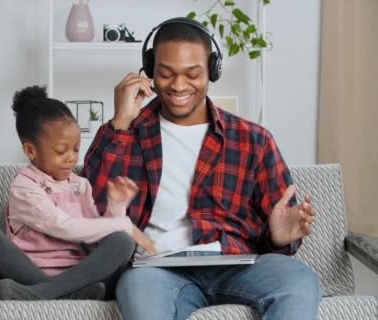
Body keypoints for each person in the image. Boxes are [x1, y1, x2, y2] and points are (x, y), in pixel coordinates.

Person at [83, 17, 321, 319]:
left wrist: (277, 238)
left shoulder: (253, 139)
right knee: (137, 290)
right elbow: (89, 212)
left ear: (212, 71)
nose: (179, 85)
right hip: (156, 271)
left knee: (299, 281)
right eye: (166, 73)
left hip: (236, 265)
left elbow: (283, 226)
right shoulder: (125, 135)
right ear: (149, 71)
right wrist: (119, 124)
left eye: (192, 74)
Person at [0, 85, 156, 301]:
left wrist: (116, 207)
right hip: (30, 273)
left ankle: (45, 293)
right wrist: (124, 223)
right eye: (61, 151)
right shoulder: (24, 186)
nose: (71, 158)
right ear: (30, 151)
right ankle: (56, 291)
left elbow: (96, 238)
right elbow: (62, 226)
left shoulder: (80, 185)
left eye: (76, 149)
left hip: (79, 274)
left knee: (123, 242)